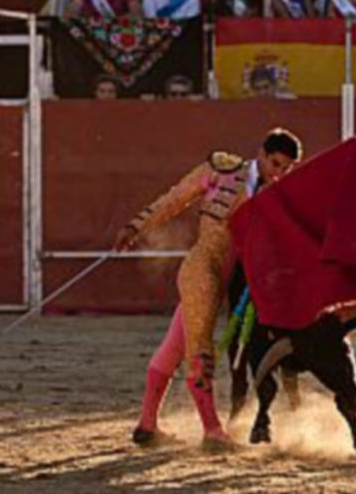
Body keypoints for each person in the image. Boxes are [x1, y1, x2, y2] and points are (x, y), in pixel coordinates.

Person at [115, 128, 304, 448]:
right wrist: (136, 226)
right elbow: (174, 199)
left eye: (286, 168)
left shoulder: (279, 195)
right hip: (201, 271)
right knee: (199, 350)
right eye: (275, 164)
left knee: (173, 349)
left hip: (225, 279)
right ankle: (212, 430)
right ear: (261, 154)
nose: (279, 173)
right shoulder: (222, 170)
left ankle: (147, 425)